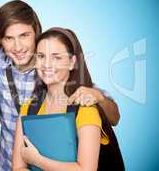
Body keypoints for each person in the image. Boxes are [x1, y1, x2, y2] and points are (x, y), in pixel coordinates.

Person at [0, 0, 121, 170]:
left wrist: (98, 96)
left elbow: (113, 117)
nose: (18, 46)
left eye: (24, 35)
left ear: (36, 33)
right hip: (8, 161)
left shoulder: (56, 63)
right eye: (9, 38)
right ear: (0, 42)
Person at [12, 27, 124, 171]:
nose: (46, 64)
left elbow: (86, 169)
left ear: (72, 62)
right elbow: (18, 167)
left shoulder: (85, 107)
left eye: (56, 57)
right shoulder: (28, 108)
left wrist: (37, 160)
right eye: (41, 56)